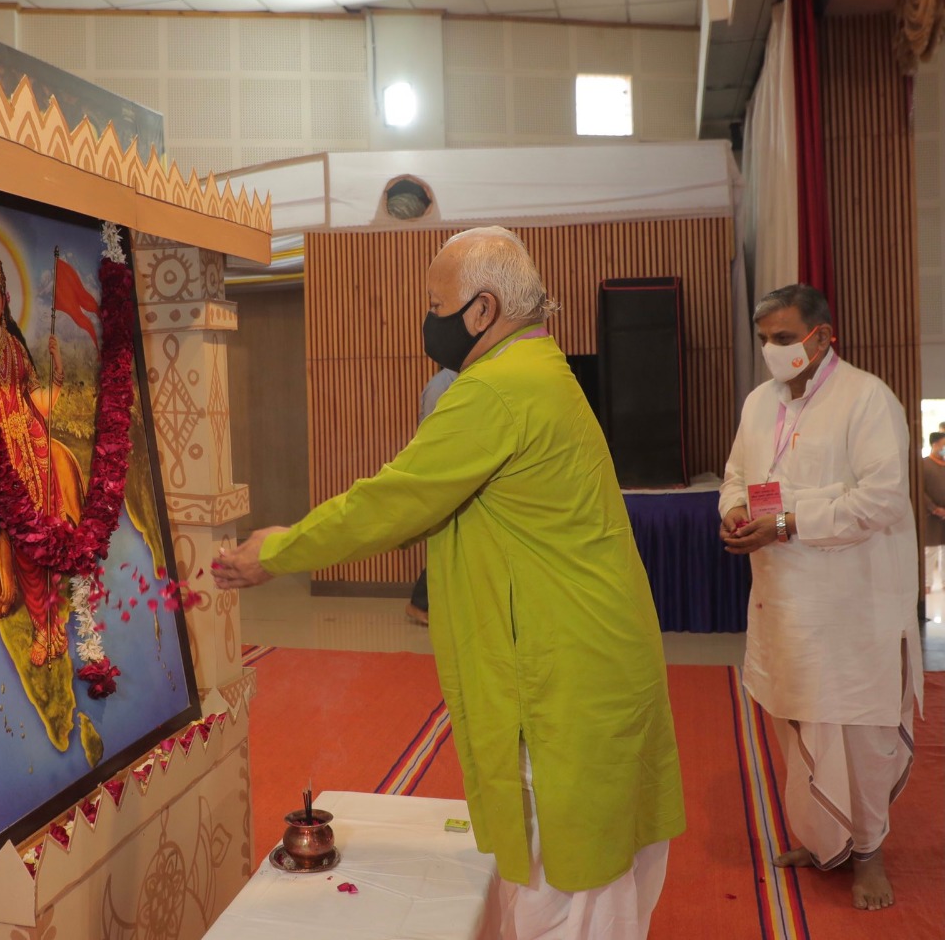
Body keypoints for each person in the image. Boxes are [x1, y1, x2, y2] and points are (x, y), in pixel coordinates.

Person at [214, 227, 685, 939]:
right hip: (593, 655)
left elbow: (389, 500)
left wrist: (279, 549)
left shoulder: (495, 390)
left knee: (569, 885)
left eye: (436, 304)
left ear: (483, 310)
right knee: (592, 867)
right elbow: (426, 503)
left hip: (567, 672)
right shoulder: (540, 368)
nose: (427, 323)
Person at [719, 283, 923, 911]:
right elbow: (736, 473)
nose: (772, 352)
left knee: (857, 733)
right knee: (798, 723)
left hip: (853, 606)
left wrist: (789, 522)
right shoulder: (758, 404)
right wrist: (732, 511)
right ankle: (821, 837)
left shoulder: (867, 398)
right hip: (784, 602)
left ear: (822, 335)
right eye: (764, 341)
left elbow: (884, 500)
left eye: (783, 339)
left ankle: (867, 854)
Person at [0, 222, 85, 666]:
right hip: (1, 461)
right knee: (25, 551)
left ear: (6, 299)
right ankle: (41, 630)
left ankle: (57, 627)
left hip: (34, 448)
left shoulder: (15, 348)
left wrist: (56, 368)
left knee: (50, 539)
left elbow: (42, 406)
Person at [406, 365, 456, 625]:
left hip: (458, 470)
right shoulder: (441, 384)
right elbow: (431, 434)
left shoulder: (468, 379)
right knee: (444, 540)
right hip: (443, 472)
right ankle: (420, 603)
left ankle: (426, 602)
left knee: (453, 541)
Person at [925, 432, 945, 593]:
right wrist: (933, 508)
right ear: (935, 444)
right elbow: (920, 490)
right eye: (943, 444)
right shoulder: (924, 464)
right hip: (931, 514)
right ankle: (927, 583)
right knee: (930, 550)